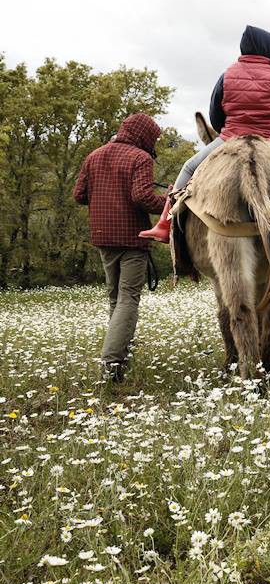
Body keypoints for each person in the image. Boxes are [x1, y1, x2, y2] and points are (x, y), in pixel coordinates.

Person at [140, 25, 270, 242]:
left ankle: (165, 224)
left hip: (231, 136)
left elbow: (215, 114)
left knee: (189, 167)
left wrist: (225, 131)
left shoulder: (227, 74)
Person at [73, 113, 166, 382]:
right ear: (143, 134)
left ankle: (120, 355)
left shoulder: (94, 155)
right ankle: (111, 364)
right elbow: (143, 198)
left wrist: (104, 195)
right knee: (128, 299)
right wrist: (172, 200)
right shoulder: (140, 158)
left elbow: (79, 195)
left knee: (115, 298)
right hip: (132, 239)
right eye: (154, 137)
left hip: (103, 238)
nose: (154, 142)